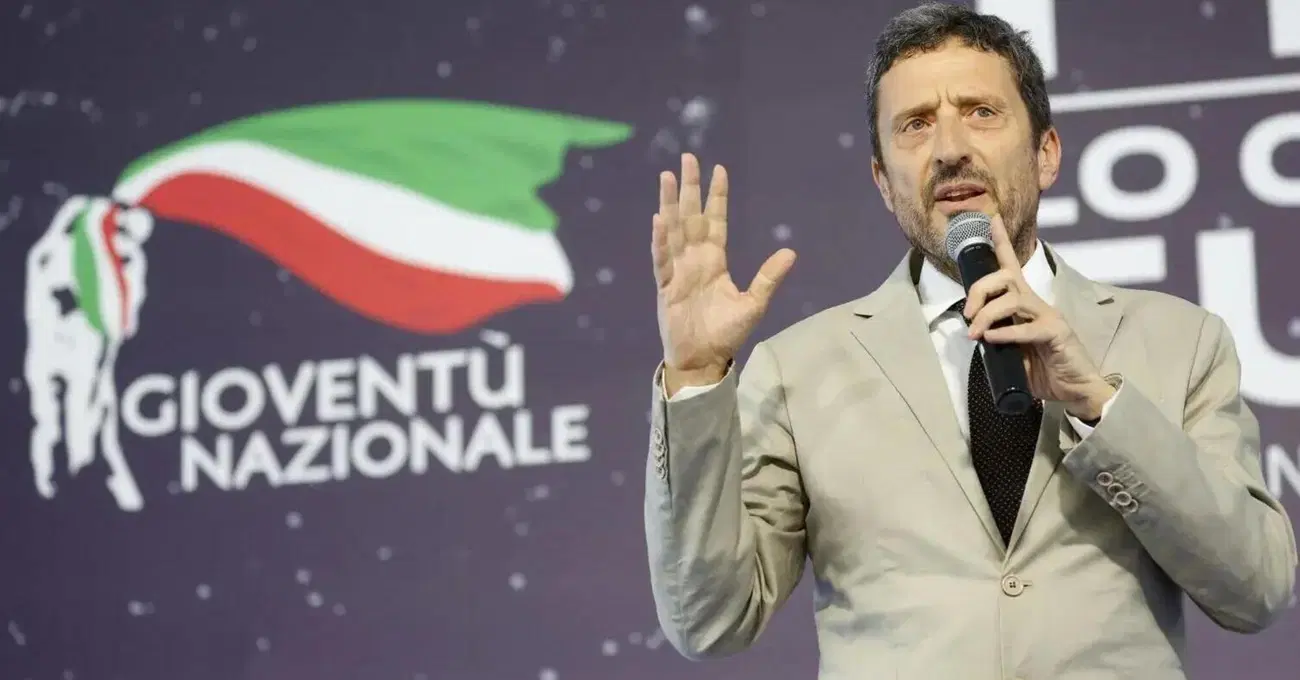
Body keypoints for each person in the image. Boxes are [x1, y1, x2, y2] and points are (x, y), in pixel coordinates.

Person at [641, 3, 1298, 679]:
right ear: (883, 182)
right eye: (916, 124)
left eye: (981, 112)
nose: (950, 148)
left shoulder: (1181, 341)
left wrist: (1100, 407)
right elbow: (708, 619)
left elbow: (1256, 587)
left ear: (1045, 153)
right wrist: (695, 374)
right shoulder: (798, 369)